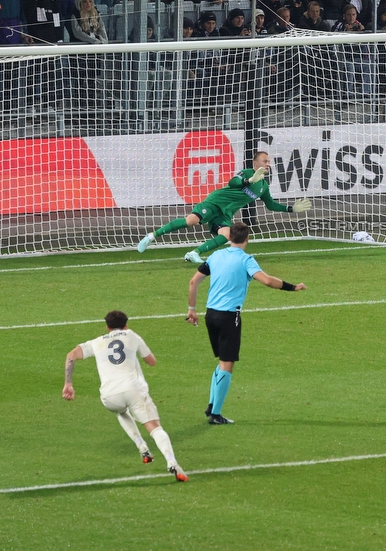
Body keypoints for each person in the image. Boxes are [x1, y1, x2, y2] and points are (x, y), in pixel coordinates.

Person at [185, 221, 307, 424]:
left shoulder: (216, 256)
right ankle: (215, 414)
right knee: (227, 363)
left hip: (211, 315)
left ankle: (211, 405)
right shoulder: (246, 260)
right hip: (229, 317)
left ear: (230, 237)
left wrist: (191, 309)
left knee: (222, 362)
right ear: (247, 239)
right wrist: (293, 287)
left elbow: (193, 281)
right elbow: (267, 281)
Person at [62, 310, 189, 481]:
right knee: (154, 426)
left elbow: (71, 356)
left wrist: (68, 383)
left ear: (107, 327)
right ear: (126, 324)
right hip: (133, 390)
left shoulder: (97, 342)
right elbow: (151, 361)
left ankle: (141, 446)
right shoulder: (132, 335)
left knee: (121, 410)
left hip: (109, 396)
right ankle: (172, 462)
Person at [137, 151, 312, 262]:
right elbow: (233, 181)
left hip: (226, 212)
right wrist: (248, 180)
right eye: (264, 161)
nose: (268, 164)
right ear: (255, 163)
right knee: (191, 220)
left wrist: (291, 209)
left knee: (227, 235)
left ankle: (193, 253)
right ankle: (152, 236)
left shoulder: (264, 186)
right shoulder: (248, 173)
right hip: (216, 201)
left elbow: (271, 205)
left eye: (269, 162)